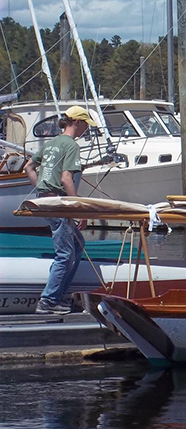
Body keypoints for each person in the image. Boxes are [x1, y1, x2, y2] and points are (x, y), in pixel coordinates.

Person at [23, 105, 99, 315]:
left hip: (45, 201)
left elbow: (29, 166)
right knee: (65, 253)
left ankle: (59, 294)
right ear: (77, 122)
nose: (86, 129)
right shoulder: (71, 146)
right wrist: (79, 211)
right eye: (85, 124)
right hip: (58, 203)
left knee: (77, 244)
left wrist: (40, 188)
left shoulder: (52, 143)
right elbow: (66, 178)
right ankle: (49, 300)